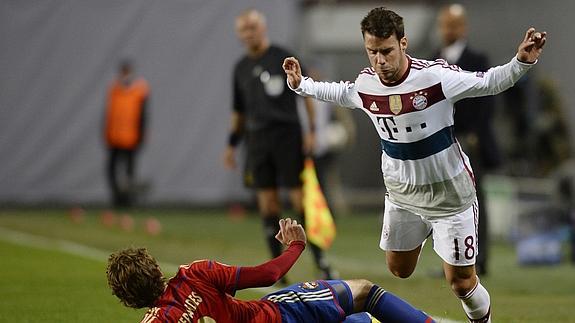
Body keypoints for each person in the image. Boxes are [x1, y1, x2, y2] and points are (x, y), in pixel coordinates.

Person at [283, 7, 546, 322]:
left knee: (461, 283)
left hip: (449, 194)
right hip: (403, 195)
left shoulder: (435, 77)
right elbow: (342, 92)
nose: (380, 60)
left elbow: (489, 82)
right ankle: (428, 233)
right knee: (399, 269)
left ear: (403, 44)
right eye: (372, 52)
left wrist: (521, 62)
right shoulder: (368, 84)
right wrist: (302, 84)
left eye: (386, 51)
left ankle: (481, 317)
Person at [106, 218, 435, 323]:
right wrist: (295, 246)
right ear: (153, 268)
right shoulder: (193, 274)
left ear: (127, 299)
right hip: (276, 316)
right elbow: (265, 276)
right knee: (364, 293)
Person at [223, 8, 335, 280]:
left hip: (287, 135)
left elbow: (305, 94)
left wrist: (310, 130)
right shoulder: (240, 68)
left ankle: (320, 260)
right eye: (244, 30)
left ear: (263, 29)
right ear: (239, 35)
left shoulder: (282, 57)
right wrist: (231, 145)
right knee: (268, 204)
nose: (249, 33)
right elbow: (238, 112)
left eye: (253, 28)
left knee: (299, 200)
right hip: (257, 140)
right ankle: (276, 269)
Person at [434, 3, 501, 276]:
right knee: (445, 203)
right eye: (446, 24)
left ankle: (479, 258)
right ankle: (451, 259)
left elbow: (486, 100)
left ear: (463, 27)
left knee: (475, 200)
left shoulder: (477, 59)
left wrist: (472, 133)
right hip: (444, 142)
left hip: (469, 140)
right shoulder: (433, 59)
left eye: (454, 25)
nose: (449, 30)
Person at [104, 60, 149, 208]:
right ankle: (116, 198)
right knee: (112, 170)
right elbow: (109, 113)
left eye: (127, 72)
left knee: (129, 172)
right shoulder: (114, 89)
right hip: (115, 137)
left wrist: (141, 136)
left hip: (131, 138)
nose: (125, 75)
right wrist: (106, 133)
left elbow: (143, 116)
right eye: (123, 72)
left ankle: (129, 200)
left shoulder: (139, 91)